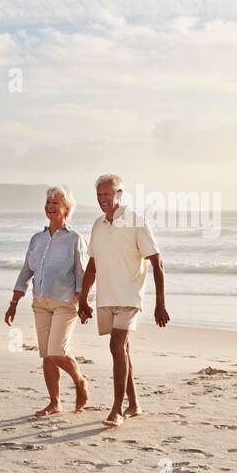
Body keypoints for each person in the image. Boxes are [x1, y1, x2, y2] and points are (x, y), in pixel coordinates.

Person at [78, 173, 169, 428]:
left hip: (129, 295)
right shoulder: (98, 225)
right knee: (122, 349)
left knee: (117, 346)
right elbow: (92, 265)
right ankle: (134, 403)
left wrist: (159, 303)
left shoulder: (135, 221)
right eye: (99, 195)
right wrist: (83, 299)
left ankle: (117, 407)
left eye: (108, 194)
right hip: (106, 296)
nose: (103, 199)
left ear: (119, 194)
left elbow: (157, 261)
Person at [5, 185, 90, 416]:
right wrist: (14, 302)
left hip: (65, 302)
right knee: (46, 355)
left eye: (56, 203)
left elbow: (82, 273)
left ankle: (80, 381)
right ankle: (55, 403)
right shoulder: (37, 239)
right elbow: (26, 271)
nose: (50, 206)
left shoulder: (75, 239)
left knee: (56, 351)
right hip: (40, 302)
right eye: (48, 202)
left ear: (66, 209)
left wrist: (84, 303)